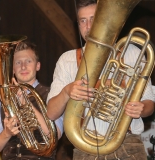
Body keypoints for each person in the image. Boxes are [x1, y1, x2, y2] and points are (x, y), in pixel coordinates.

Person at [46, 0, 155, 160]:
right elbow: (51, 113)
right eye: (83, 21)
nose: (89, 26)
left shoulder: (132, 53)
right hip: (85, 149)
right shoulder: (67, 60)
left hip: (129, 145)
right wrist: (67, 91)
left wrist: (141, 108)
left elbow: (149, 104)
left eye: (94, 19)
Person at [0, 41, 63, 160]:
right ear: (12, 69)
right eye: (18, 62)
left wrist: (26, 102)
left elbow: (55, 135)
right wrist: (6, 133)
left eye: (28, 61)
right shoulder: (2, 100)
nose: (23, 66)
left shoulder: (53, 95)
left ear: (38, 66)